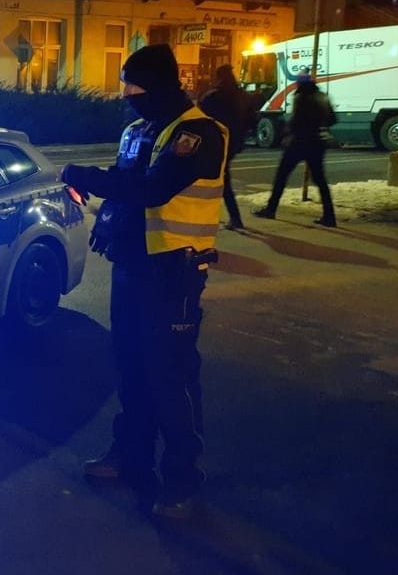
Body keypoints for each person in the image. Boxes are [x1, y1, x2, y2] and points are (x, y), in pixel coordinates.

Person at [59, 43, 228, 519]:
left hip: (174, 272)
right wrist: (101, 214)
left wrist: (86, 176)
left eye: (137, 90)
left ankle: (182, 476)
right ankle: (130, 456)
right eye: (127, 91)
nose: (131, 99)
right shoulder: (138, 130)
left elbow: (154, 188)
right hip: (132, 266)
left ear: (161, 87)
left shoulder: (199, 132)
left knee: (172, 375)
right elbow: (125, 183)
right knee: (131, 367)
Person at [253, 67, 338, 227]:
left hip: (299, 143)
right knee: (320, 180)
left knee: (282, 176)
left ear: (299, 83)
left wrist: (288, 134)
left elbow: (296, 121)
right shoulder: (322, 96)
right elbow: (333, 119)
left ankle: (271, 209)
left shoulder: (300, 97)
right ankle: (329, 216)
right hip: (317, 143)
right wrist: (321, 126)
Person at [199, 64, 252, 229]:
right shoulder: (241, 95)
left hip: (216, 143)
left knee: (215, 180)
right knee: (220, 179)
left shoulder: (213, 97)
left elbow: (201, 117)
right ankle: (232, 218)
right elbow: (250, 119)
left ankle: (227, 218)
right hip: (233, 143)